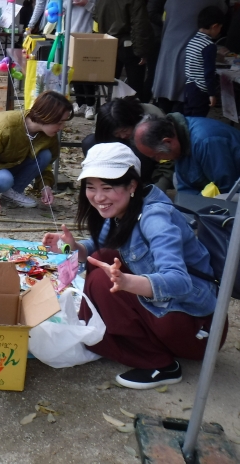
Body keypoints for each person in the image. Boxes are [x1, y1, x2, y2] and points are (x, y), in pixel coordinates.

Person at [42, 143, 223, 389]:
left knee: (100, 280)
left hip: (195, 329)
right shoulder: (123, 209)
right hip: (170, 313)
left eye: (107, 187)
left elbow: (180, 281)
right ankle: (105, 333)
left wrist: (127, 283)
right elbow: (98, 247)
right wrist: (74, 247)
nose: (98, 197)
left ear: (132, 185)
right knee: (103, 259)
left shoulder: (156, 218)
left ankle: (160, 364)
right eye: (91, 188)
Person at [0, 91, 72, 211]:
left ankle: (13, 192)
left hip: (11, 161)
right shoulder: (4, 127)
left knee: (45, 155)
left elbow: (47, 165)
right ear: (46, 116)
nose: (62, 127)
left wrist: (45, 186)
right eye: (59, 122)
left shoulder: (48, 134)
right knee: (4, 180)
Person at [153, 0, 227, 113]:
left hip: (167, 54)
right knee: (182, 110)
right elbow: (223, 15)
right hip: (191, 58)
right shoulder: (215, 0)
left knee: (164, 105)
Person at [81, 97, 174, 191]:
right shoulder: (105, 121)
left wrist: (159, 188)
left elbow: (166, 162)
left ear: (133, 121)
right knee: (90, 142)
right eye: (116, 134)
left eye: (124, 131)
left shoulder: (152, 122)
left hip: (147, 167)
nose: (122, 136)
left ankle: (139, 183)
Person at [93, 0, 154, 99]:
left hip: (107, 44)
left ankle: (108, 112)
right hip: (129, 47)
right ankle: (132, 115)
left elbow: (95, 17)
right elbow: (140, 26)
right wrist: (142, 52)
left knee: (109, 85)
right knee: (134, 87)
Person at [134, 114, 240, 195]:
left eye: (156, 156)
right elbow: (184, 185)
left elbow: (227, 190)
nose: (158, 160)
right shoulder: (178, 136)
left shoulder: (206, 142)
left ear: (167, 142)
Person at [64, 0, 110, 119]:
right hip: (71, 32)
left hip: (90, 34)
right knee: (74, 71)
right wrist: (72, 2)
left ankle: (91, 105)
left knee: (88, 71)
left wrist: (87, 4)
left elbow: (104, 11)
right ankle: (80, 102)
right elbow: (63, 2)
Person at [146, 0, 195, 103]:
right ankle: (147, 103)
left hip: (173, 40)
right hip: (157, 39)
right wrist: (169, 21)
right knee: (155, 74)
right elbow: (151, 12)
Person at [183, 6, 224, 117]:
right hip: (201, 89)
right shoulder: (209, 46)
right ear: (215, 26)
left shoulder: (192, 41)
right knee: (199, 119)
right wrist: (212, 94)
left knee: (188, 117)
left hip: (189, 85)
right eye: (220, 27)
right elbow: (209, 72)